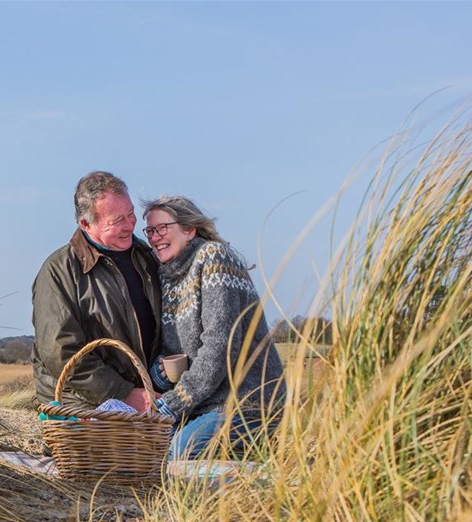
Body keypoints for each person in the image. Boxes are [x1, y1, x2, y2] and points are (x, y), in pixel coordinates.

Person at [141, 195, 286, 460]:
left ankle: (252, 463)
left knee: (177, 454)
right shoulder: (167, 275)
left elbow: (220, 346)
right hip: (203, 405)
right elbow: (178, 352)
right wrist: (160, 373)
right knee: (150, 452)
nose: (154, 236)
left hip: (245, 402)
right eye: (150, 230)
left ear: (189, 228)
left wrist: (173, 404)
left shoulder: (214, 259)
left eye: (163, 227)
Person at [32, 171, 161, 411]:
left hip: (147, 398)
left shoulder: (147, 257)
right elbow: (60, 351)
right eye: (116, 220)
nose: (129, 225)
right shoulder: (59, 271)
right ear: (85, 224)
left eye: (131, 214)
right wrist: (122, 393)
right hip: (82, 406)